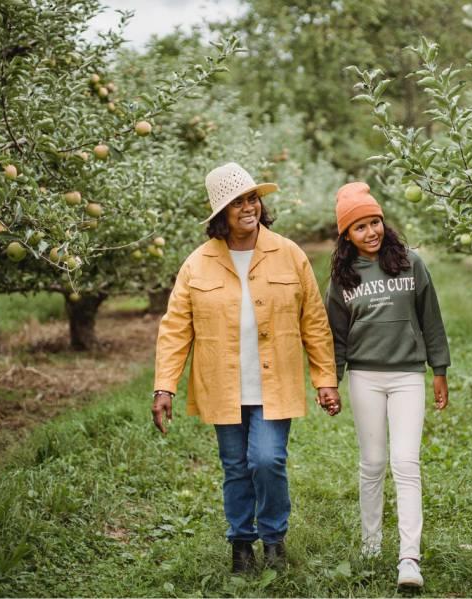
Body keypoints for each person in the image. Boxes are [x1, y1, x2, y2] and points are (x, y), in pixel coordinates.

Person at [151, 162, 341, 574]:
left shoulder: (289, 254)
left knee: (267, 460)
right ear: (221, 213)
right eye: (236, 202)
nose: (247, 208)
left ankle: (273, 540)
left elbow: (314, 321)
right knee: (236, 467)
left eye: (252, 198)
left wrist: (325, 378)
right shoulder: (198, 264)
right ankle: (241, 547)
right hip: (223, 386)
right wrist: (164, 387)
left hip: (277, 382)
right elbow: (175, 329)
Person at [324, 182, 450, 589]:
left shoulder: (410, 263)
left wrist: (439, 370)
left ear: (384, 222)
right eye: (359, 227)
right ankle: (371, 544)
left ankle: (409, 559)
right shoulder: (343, 278)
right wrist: (332, 381)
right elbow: (336, 336)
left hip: (407, 376)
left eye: (375, 222)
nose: (371, 232)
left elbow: (431, 319)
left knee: (406, 463)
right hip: (365, 378)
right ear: (347, 235)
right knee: (373, 464)